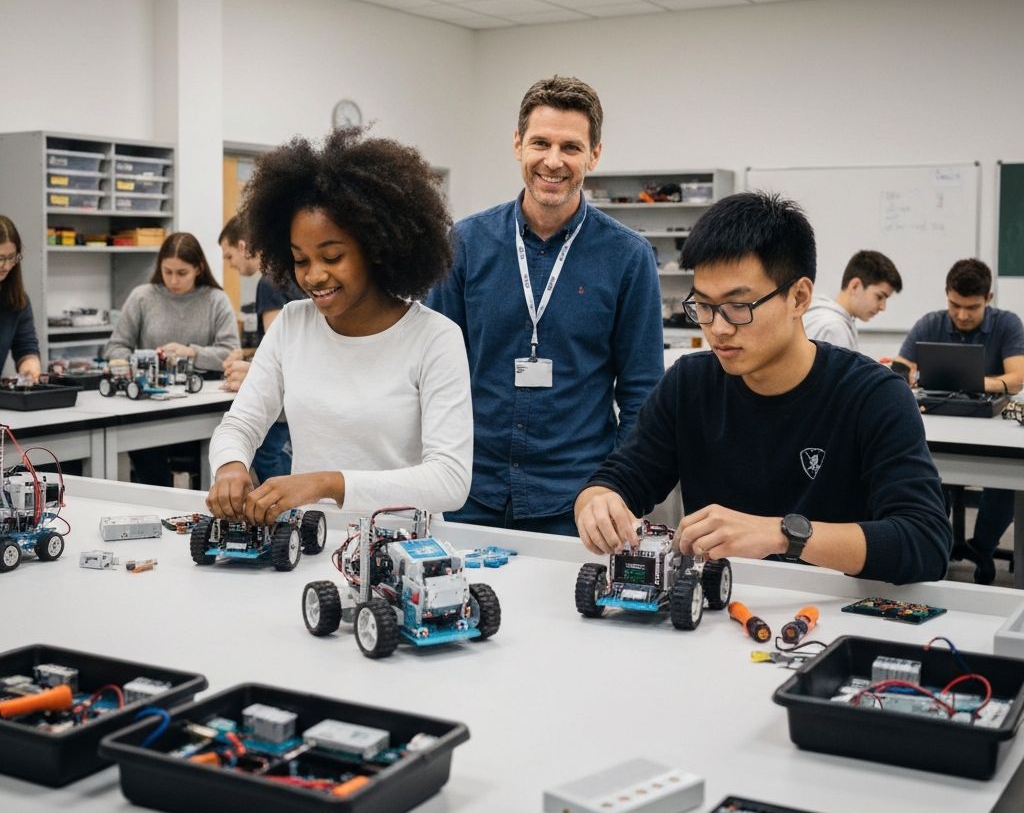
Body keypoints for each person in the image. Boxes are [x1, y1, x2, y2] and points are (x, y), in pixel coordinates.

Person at [574, 191, 952, 586]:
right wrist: (598, 502)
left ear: (799, 297)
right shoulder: (690, 384)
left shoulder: (873, 396)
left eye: (739, 307)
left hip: (833, 611)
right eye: (703, 306)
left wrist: (782, 535)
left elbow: (925, 542)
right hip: (715, 611)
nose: (718, 328)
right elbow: (620, 477)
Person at [426, 75, 663, 535]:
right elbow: (432, 371)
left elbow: (641, 393)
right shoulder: (466, 244)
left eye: (571, 147)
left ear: (594, 154)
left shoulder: (628, 257)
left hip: (575, 501)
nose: (553, 162)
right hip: (468, 491)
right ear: (518, 144)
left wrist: (616, 488)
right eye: (540, 143)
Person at [206, 127, 472, 524]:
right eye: (300, 260)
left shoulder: (434, 338)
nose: (313, 276)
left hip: (399, 554)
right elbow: (240, 424)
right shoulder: (292, 326)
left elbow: (450, 480)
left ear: (377, 248)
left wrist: (327, 484)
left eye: (332, 257)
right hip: (306, 544)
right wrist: (230, 465)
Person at [894, 258, 1024, 584]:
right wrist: (903, 377)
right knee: (926, 473)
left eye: (972, 307)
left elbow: (1019, 378)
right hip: (939, 427)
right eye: (955, 305)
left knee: (1005, 483)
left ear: (988, 299)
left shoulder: (1008, 324)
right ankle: (937, 543)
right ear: (946, 294)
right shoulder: (930, 322)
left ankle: (983, 546)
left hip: (993, 429)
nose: (962, 315)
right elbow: (899, 367)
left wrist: (969, 381)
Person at [104, 232, 240, 486]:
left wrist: (193, 353)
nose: (173, 280)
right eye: (167, 272)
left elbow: (231, 352)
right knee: (149, 462)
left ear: (198, 269)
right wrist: (140, 362)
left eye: (182, 273)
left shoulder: (216, 300)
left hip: (201, 409)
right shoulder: (142, 297)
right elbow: (116, 347)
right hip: (150, 410)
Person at [218, 215, 304, 483]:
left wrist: (253, 370)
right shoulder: (293, 273)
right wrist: (246, 354)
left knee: (268, 458)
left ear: (244, 247)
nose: (230, 264)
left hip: (285, 400)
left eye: (229, 256)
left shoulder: (269, 281)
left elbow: (279, 347)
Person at [803, 249, 902, 349]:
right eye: (879, 297)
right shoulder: (834, 329)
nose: (883, 307)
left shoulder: (819, 316)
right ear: (855, 286)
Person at [0, 215, 41, 382]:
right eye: (0, 258)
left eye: (12, 257)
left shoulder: (16, 300)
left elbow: (25, 346)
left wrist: (30, 367)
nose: (7, 266)